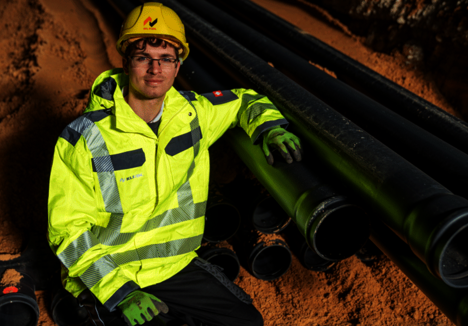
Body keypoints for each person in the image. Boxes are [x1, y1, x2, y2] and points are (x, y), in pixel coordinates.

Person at [47, 2, 301, 326]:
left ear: (178, 66)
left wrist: (269, 128)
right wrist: (121, 292)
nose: (156, 70)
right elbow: (68, 231)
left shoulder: (192, 115)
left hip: (173, 266)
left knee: (246, 322)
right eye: (144, 58)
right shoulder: (84, 139)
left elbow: (245, 100)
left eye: (166, 59)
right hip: (109, 274)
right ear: (126, 62)